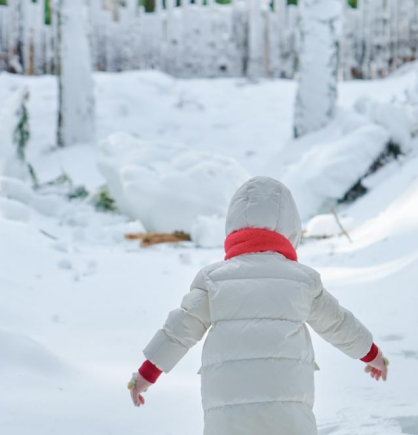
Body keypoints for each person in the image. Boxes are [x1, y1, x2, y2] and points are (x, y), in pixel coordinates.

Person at [127, 177, 388, 434]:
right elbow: (338, 323)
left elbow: (178, 330)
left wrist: (147, 373)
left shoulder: (213, 279)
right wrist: (371, 353)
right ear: (291, 229)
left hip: (227, 412)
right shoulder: (302, 281)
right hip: (289, 406)